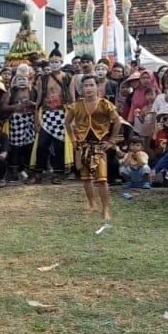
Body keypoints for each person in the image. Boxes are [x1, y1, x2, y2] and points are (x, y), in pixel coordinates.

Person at [65, 75, 122, 220]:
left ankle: (105, 209)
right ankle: (92, 204)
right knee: (86, 178)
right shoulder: (76, 105)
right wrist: (72, 139)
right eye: (86, 86)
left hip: (99, 146)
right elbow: (67, 123)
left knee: (102, 179)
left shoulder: (105, 104)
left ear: (98, 87)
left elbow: (117, 121)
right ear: (81, 88)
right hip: (82, 145)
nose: (89, 88)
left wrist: (112, 140)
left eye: (91, 85)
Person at [31, 47, 72, 185]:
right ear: (49, 62)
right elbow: (38, 99)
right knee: (42, 144)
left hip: (62, 114)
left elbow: (71, 98)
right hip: (47, 114)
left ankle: (58, 173)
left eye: (57, 61)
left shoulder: (67, 78)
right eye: (52, 61)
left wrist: (71, 118)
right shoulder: (43, 78)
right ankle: (38, 173)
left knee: (59, 145)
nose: (54, 63)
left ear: (61, 62)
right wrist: (37, 117)